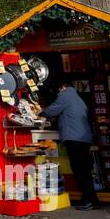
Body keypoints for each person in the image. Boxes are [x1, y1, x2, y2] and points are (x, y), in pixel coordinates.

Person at [41, 81, 99, 209]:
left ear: (62, 87)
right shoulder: (77, 97)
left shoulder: (65, 95)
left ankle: (89, 201)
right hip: (82, 139)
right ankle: (90, 199)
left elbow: (51, 111)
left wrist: (40, 113)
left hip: (75, 139)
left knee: (79, 171)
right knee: (84, 171)